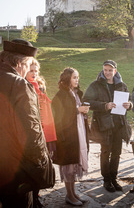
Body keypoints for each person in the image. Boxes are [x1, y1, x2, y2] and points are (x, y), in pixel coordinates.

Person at [0, 39, 55, 208]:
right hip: (16, 171)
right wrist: (43, 166)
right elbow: (32, 132)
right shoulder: (19, 85)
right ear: (20, 63)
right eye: (29, 65)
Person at [83, 60, 132, 193]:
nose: (107, 72)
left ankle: (114, 178)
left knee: (116, 152)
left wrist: (130, 105)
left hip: (118, 125)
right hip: (104, 125)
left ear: (115, 71)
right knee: (105, 152)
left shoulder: (121, 85)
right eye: (105, 70)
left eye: (110, 70)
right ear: (103, 70)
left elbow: (129, 100)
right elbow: (86, 101)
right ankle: (106, 180)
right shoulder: (96, 85)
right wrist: (105, 106)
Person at [51, 67, 90, 206]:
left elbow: (77, 111)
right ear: (67, 78)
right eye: (74, 77)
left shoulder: (76, 93)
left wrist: (83, 111)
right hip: (66, 136)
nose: (77, 80)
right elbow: (58, 117)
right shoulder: (61, 95)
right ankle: (69, 195)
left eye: (77, 77)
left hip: (77, 133)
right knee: (68, 166)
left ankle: (73, 193)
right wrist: (77, 110)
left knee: (74, 165)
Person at [26, 58, 57, 207]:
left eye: (36, 71)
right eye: (31, 70)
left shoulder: (40, 86)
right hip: (33, 133)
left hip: (44, 130)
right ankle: (32, 197)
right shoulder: (25, 86)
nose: (34, 73)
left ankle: (36, 195)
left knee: (41, 165)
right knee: (32, 167)